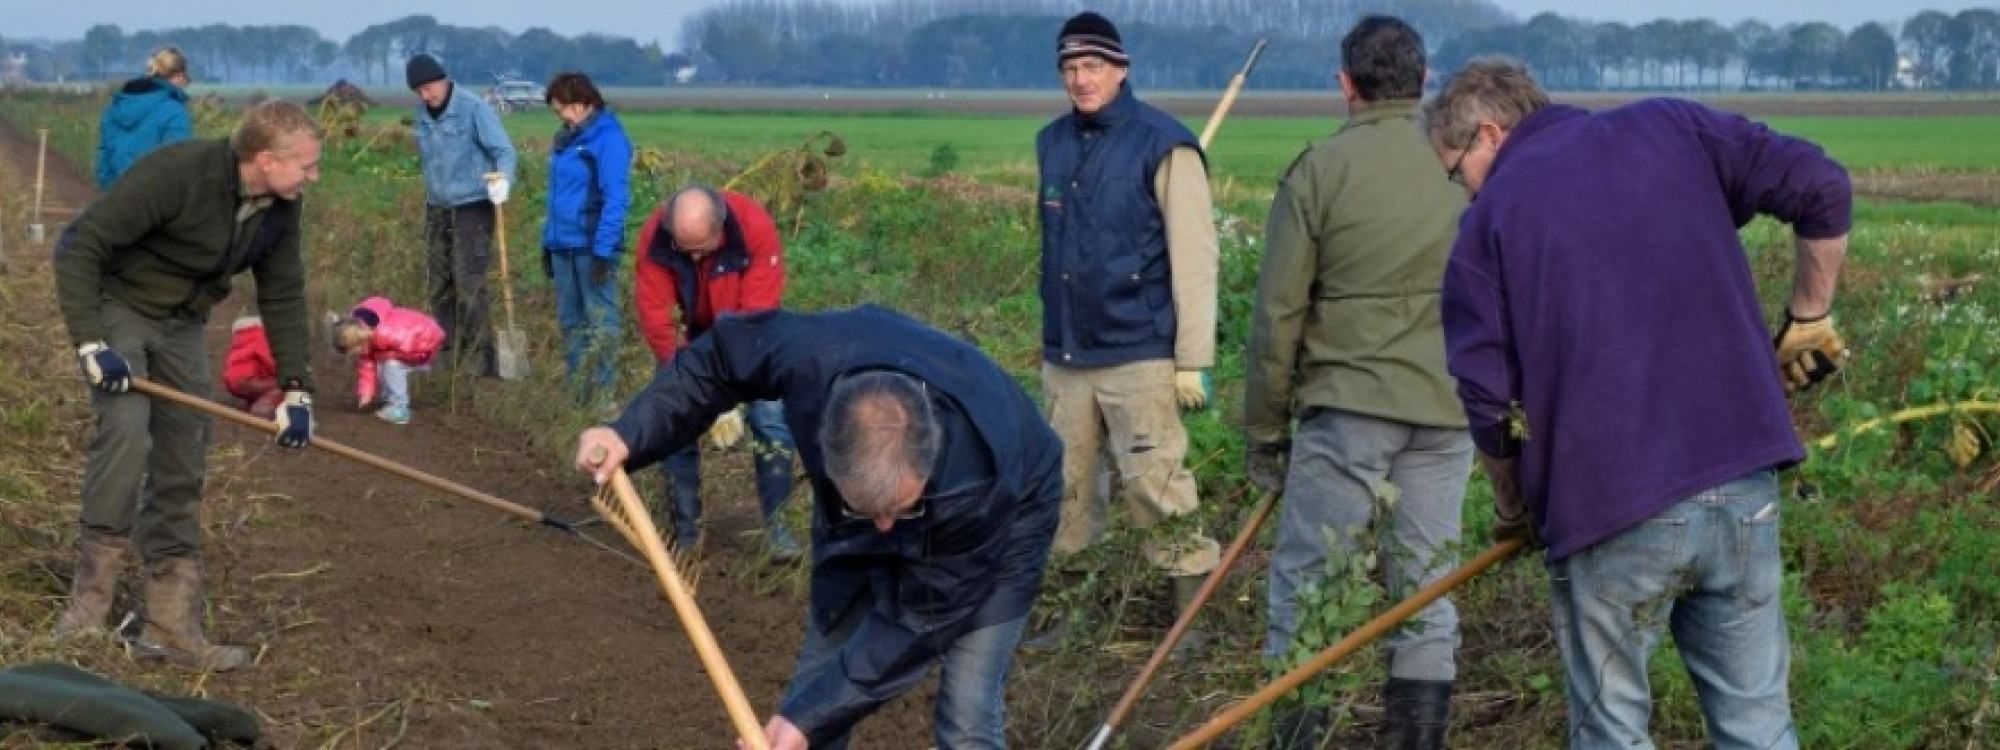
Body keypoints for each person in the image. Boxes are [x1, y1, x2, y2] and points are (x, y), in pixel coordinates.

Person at [1423, 58, 1849, 749]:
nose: (1463, 190)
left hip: (1609, 508)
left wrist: (1512, 511)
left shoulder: (1489, 223)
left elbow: (1489, 404)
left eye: (1455, 170)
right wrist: (1810, 315)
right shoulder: (1673, 126)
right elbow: (1823, 186)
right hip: (1744, 484)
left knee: (1611, 732)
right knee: (1758, 726)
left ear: (1490, 134)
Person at [574, 305, 1062, 750]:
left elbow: (919, 620)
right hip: (853, 519)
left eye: (898, 509)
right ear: (826, 451)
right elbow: (718, 361)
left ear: (926, 460)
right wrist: (628, 432)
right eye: (872, 512)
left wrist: (806, 717)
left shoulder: (975, 484)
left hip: (1012, 513)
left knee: (967, 710)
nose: (888, 528)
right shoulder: (809, 358)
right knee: (819, 677)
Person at [1242, 17, 1471, 749]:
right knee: (1426, 589)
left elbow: (1277, 315)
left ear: (1346, 85)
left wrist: (1267, 434)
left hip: (1347, 412)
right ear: (1425, 80)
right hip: (1447, 411)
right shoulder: (1463, 161)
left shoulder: (1319, 170)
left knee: (1310, 585)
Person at [54, 99, 324, 671]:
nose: (313, 175)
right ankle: (86, 610)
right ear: (266, 159)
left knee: (184, 452)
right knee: (127, 435)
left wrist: (297, 390)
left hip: (182, 324)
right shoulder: (177, 174)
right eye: (306, 164)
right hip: (119, 307)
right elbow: (83, 246)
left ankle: (171, 625)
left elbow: (282, 295)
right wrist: (91, 344)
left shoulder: (280, 206)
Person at [1027, 10, 1222, 655]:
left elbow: (1194, 257)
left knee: (1156, 484)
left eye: (1093, 67)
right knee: (1067, 490)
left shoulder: (1165, 144)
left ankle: (1188, 617)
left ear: (1121, 70)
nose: (1080, 80)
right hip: (1067, 353)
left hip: (1138, 350)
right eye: (1070, 68)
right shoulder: (1051, 142)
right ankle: (1071, 612)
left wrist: (1192, 358)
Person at [632, 185, 800, 560]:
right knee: (674, 421)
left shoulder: (754, 227)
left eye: (701, 248)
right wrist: (696, 384)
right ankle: (687, 533)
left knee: (771, 420)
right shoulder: (656, 235)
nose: (692, 255)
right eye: (683, 248)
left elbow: (756, 316)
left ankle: (778, 530)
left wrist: (729, 388)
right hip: (687, 337)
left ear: (720, 230)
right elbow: (658, 317)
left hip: (749, 335)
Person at [407, 52, 517, 377]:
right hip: (437, 206)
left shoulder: (472, 108)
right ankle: (446, 353)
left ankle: (483, 359)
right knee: (439, 281)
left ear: (443, 79)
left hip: (472, 205)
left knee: (468, 280)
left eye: (430, 88)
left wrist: (504, 180)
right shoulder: (422, 116)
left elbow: (503, 151)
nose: (427, 96)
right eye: (420, 92)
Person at [539, 71, 632, 410]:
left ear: (583, 104)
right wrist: (546, 243)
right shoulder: (565, 140)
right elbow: (557, 196)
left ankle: (605, 397)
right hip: (562, 243)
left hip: (592, 245)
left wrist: (604, 251)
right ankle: (578, 393)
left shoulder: (609, 140)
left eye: (563, 109)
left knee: (601, 322)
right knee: (570, 321)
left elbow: (616, 198)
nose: (560, 116)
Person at [332, 296, 445, 425]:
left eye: (353, 351)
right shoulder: (368, 337)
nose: (355, 355)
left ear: (357, 342)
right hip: (414, 343)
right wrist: (366, 394)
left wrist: (397, 357)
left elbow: (408, 345)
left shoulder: (384, 333)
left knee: (390, 364)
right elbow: (366, 368)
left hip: (426, 344)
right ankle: (389, 399)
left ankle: (399, 407)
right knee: (382, 361)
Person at [96, 46, 192, 189]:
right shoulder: (175, 111)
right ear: (178, 76)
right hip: (153, 198)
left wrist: (109, 190)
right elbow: (176, 161)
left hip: (115, 194)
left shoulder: (116, 106)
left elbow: (104, 155)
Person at [222, 315, 282, 419]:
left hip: (232, 381)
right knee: (281, 385)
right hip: (248, 380)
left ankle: (250, 406)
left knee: (256, 388)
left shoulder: (239, 341)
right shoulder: (259, 337)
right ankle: (261, 411)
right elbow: (267, 358)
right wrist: (279, 372)